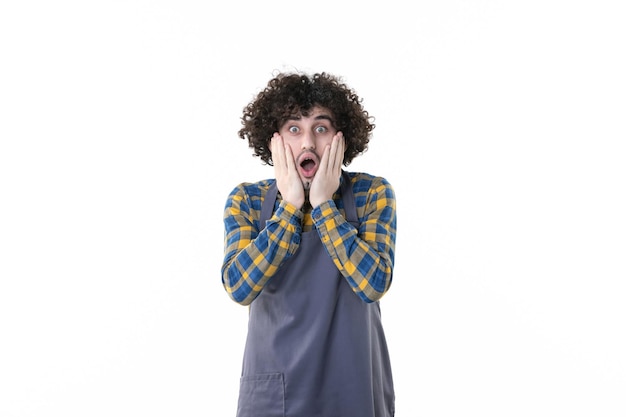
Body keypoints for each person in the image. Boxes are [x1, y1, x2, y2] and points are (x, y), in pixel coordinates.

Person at [221, 71, 397, 417]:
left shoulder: (371, 194)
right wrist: (288, 207)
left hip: (353, 388)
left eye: (320, 128)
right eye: (293, 129)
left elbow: (373, 284)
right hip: (276, 396)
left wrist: (324, 205)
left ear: (340, 138)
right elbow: (239, 287)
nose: (307, 144)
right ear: (274, 140)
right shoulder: (247, 201)